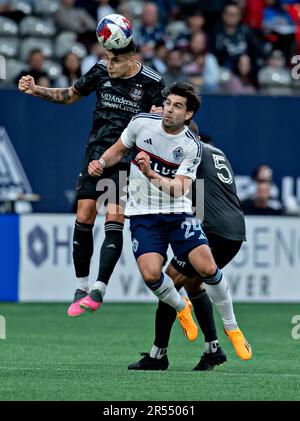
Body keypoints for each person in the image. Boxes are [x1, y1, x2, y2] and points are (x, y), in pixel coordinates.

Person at [85, 82, 242, 345]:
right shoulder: (141, 123)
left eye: (177, 106)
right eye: (168, 103)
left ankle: (232, 328)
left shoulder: (192, 146)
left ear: (188, 114)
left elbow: (179, 189)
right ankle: (182, 309)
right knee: (151, 275)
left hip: (177, 212)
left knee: (206, 267)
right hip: (144, 215)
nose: (169, 110)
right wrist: (101, 162)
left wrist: (150, 173)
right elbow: (119, 148)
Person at [18, 39, 166, 318]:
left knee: (114, 217)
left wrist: (158, 119)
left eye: (114, 60)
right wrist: (36, 89)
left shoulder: (152, 82)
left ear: (130, 58)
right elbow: (71, 94)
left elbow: (165, 124)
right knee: (84, 216)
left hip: (127, 159)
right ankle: (81, 287)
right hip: (95, 154)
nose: (108, 64)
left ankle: (100, 287)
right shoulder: (100, 70)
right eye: (107, 57)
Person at [128, 123, 252, 371]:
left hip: (212, 229)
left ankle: (157, 356)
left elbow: (176, 189)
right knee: (195, 284)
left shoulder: (190, 153)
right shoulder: (218, 153)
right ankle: (213, 349)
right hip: (235, 230)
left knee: (170, 284)